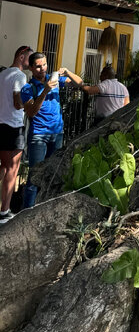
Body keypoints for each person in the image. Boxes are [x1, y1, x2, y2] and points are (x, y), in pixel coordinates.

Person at [21, 51, 73, 209]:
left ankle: (44, 209)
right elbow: (31, 112)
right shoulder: (27, 88)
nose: (42, 68)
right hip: (39, 135)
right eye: (38, 66)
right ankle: (27, 213)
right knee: (35, 176)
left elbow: (79, 83)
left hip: (56, 133)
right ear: (31, 68)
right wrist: (45, 90)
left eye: (44, 64)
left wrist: (68, 71)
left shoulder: (54, 79)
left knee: (52, 175)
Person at [0, 46, 32, 223]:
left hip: (0, 125)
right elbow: (17, 102)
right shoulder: (20, 76)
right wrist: (29, 100)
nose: (31, 62)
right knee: (12, 170)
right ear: (21, 57)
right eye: (29, 58)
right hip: (13, 127)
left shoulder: (2, 74)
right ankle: (4, 212)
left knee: (3, 167)